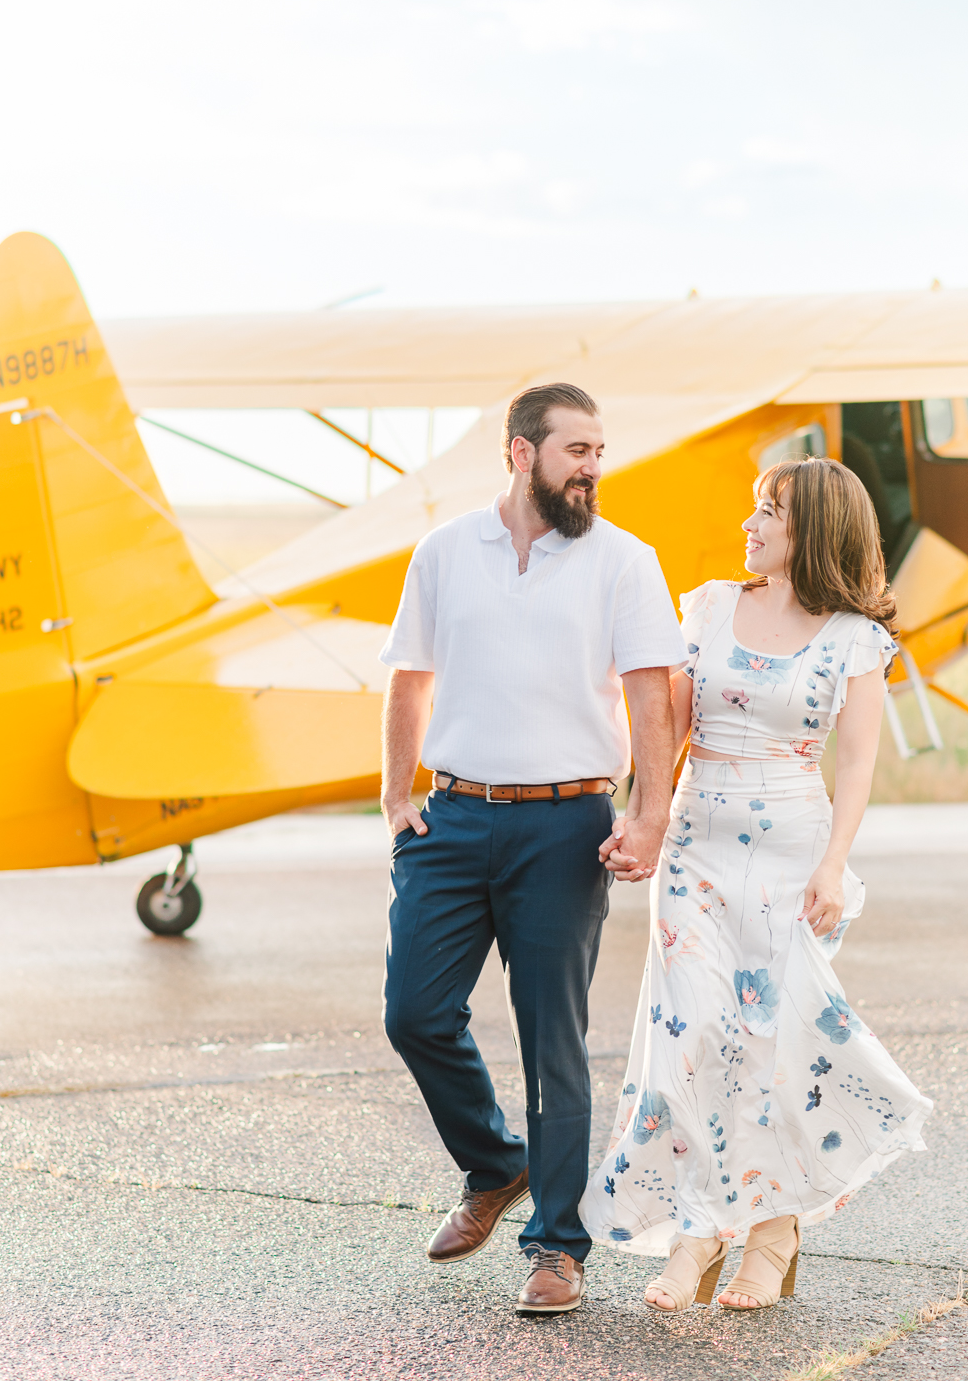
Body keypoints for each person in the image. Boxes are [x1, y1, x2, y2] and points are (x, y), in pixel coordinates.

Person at [580, 456, 932, 1312]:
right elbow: (672, 722)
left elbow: (856, 766)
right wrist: (644, 815)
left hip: (793, 852)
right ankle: (698, 1234)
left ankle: (772, 1236)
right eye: (754, 507)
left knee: (770, 1051)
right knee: (689, 1032)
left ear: (810, 528)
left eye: (768, 511)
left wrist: (833, 864)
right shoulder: (707, 606)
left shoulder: (856, 638)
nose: (750, 523)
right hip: (697, 844)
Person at [378, 381, 686, 1314]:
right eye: (576, 451)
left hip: (566, 826)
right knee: (414, 1013)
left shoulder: (624, 562)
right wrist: (397, 797)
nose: (594, 468)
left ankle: (558, 1247)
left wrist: (649, 812)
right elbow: (408, 679)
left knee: (554, 1042)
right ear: (521, 453)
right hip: (454, 816)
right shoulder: (443, 552)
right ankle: (494, 1164)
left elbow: (651, 696)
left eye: (599, 451)